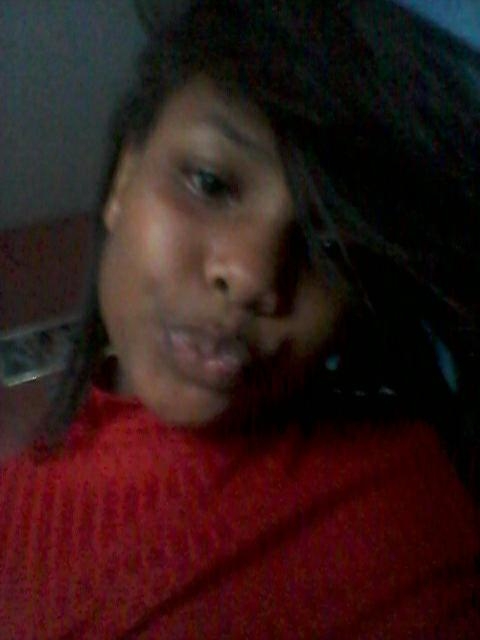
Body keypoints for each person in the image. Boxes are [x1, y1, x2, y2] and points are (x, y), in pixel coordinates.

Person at [0, 0, 479, 637]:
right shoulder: (14, 517)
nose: (251, 274)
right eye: (210, 183)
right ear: (122, 180)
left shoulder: (403, 507)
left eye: (332, 246)